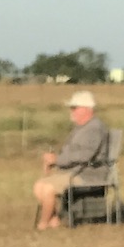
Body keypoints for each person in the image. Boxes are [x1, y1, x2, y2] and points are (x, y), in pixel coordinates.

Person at [33, 89, 111, 228]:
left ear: (87, 110)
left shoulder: (94, 128)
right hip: (74, 172)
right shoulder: (81, 128)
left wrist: (57, 160)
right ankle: (54, 220)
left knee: (48, 188)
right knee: (39, 186)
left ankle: (43, 225)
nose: (71, 111)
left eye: (74, 108)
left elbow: (84, 155)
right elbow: (72, 153)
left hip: (87, 174)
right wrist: (53, 159)